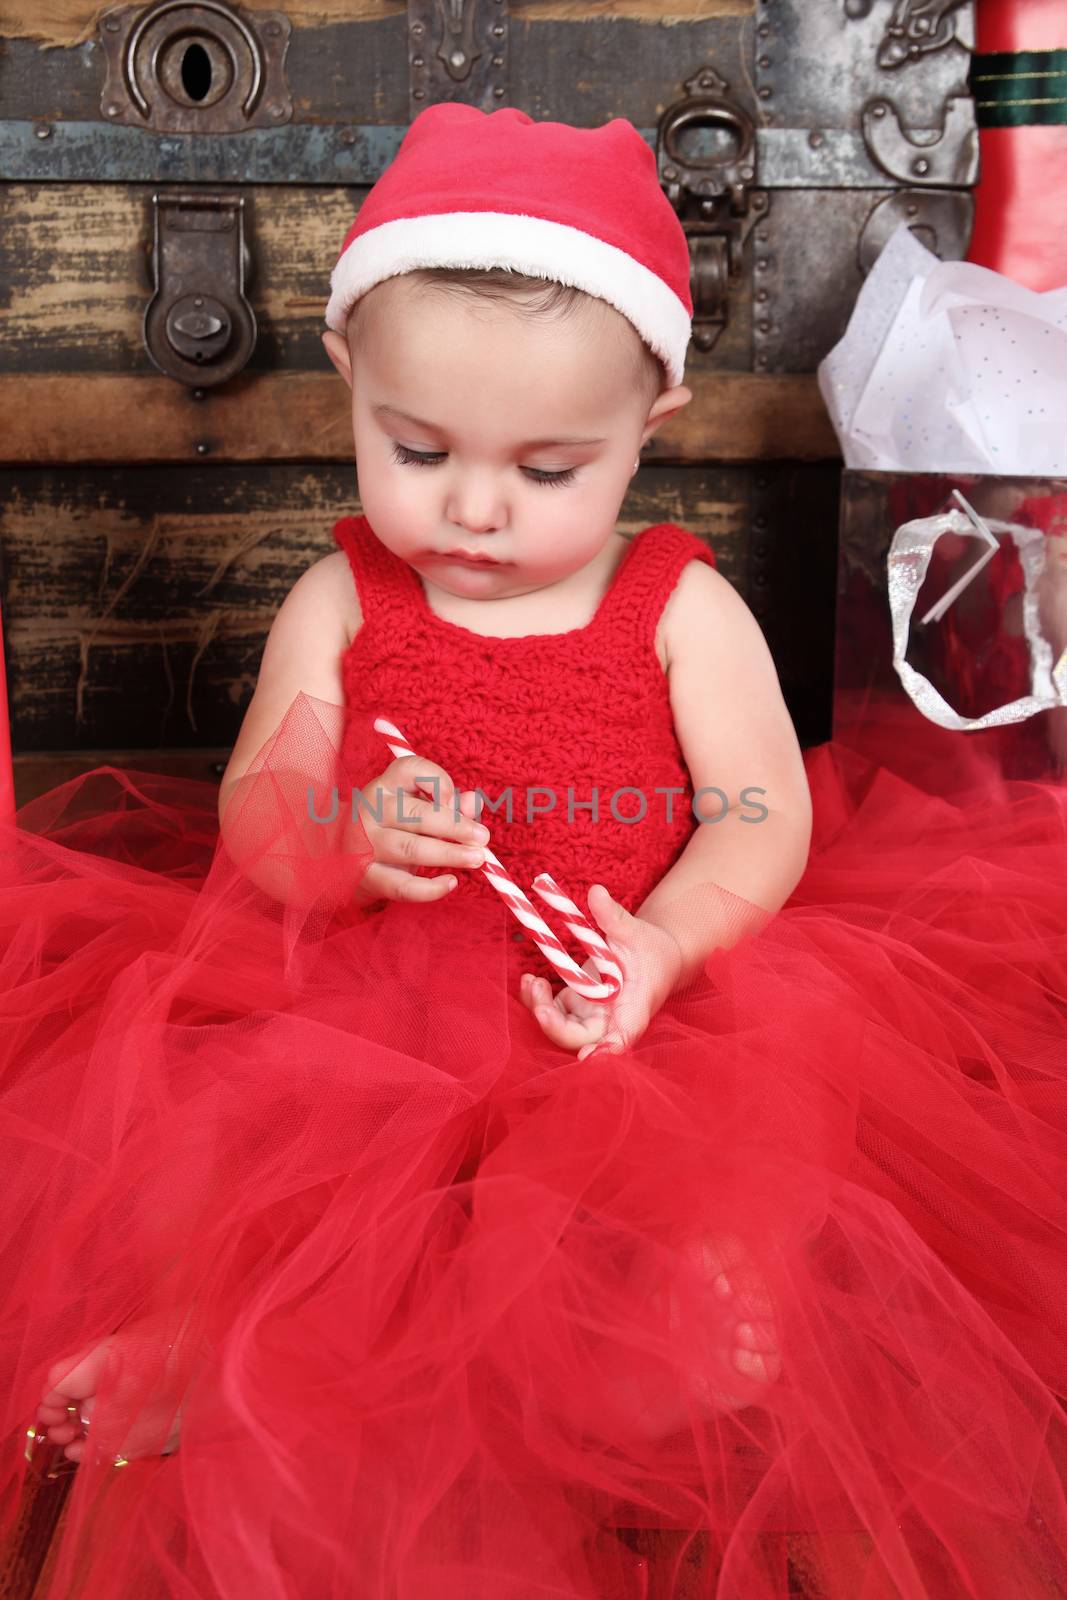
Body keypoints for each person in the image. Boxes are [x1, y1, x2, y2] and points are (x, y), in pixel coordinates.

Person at [2, 104, 1066, 1600]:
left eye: (551, 470)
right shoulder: (345, 598)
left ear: (653, 431)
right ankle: (214, 1352)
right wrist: (346, 838)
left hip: (622, 996)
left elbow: (764, 811)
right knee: (262, 1174)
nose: (478, 509)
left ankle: (664, 1338)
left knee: (716, 1161)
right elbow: (260, 798)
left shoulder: (678, 608)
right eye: (418, 448)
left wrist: (668, 943)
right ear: (349, 385)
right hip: (374, 997)